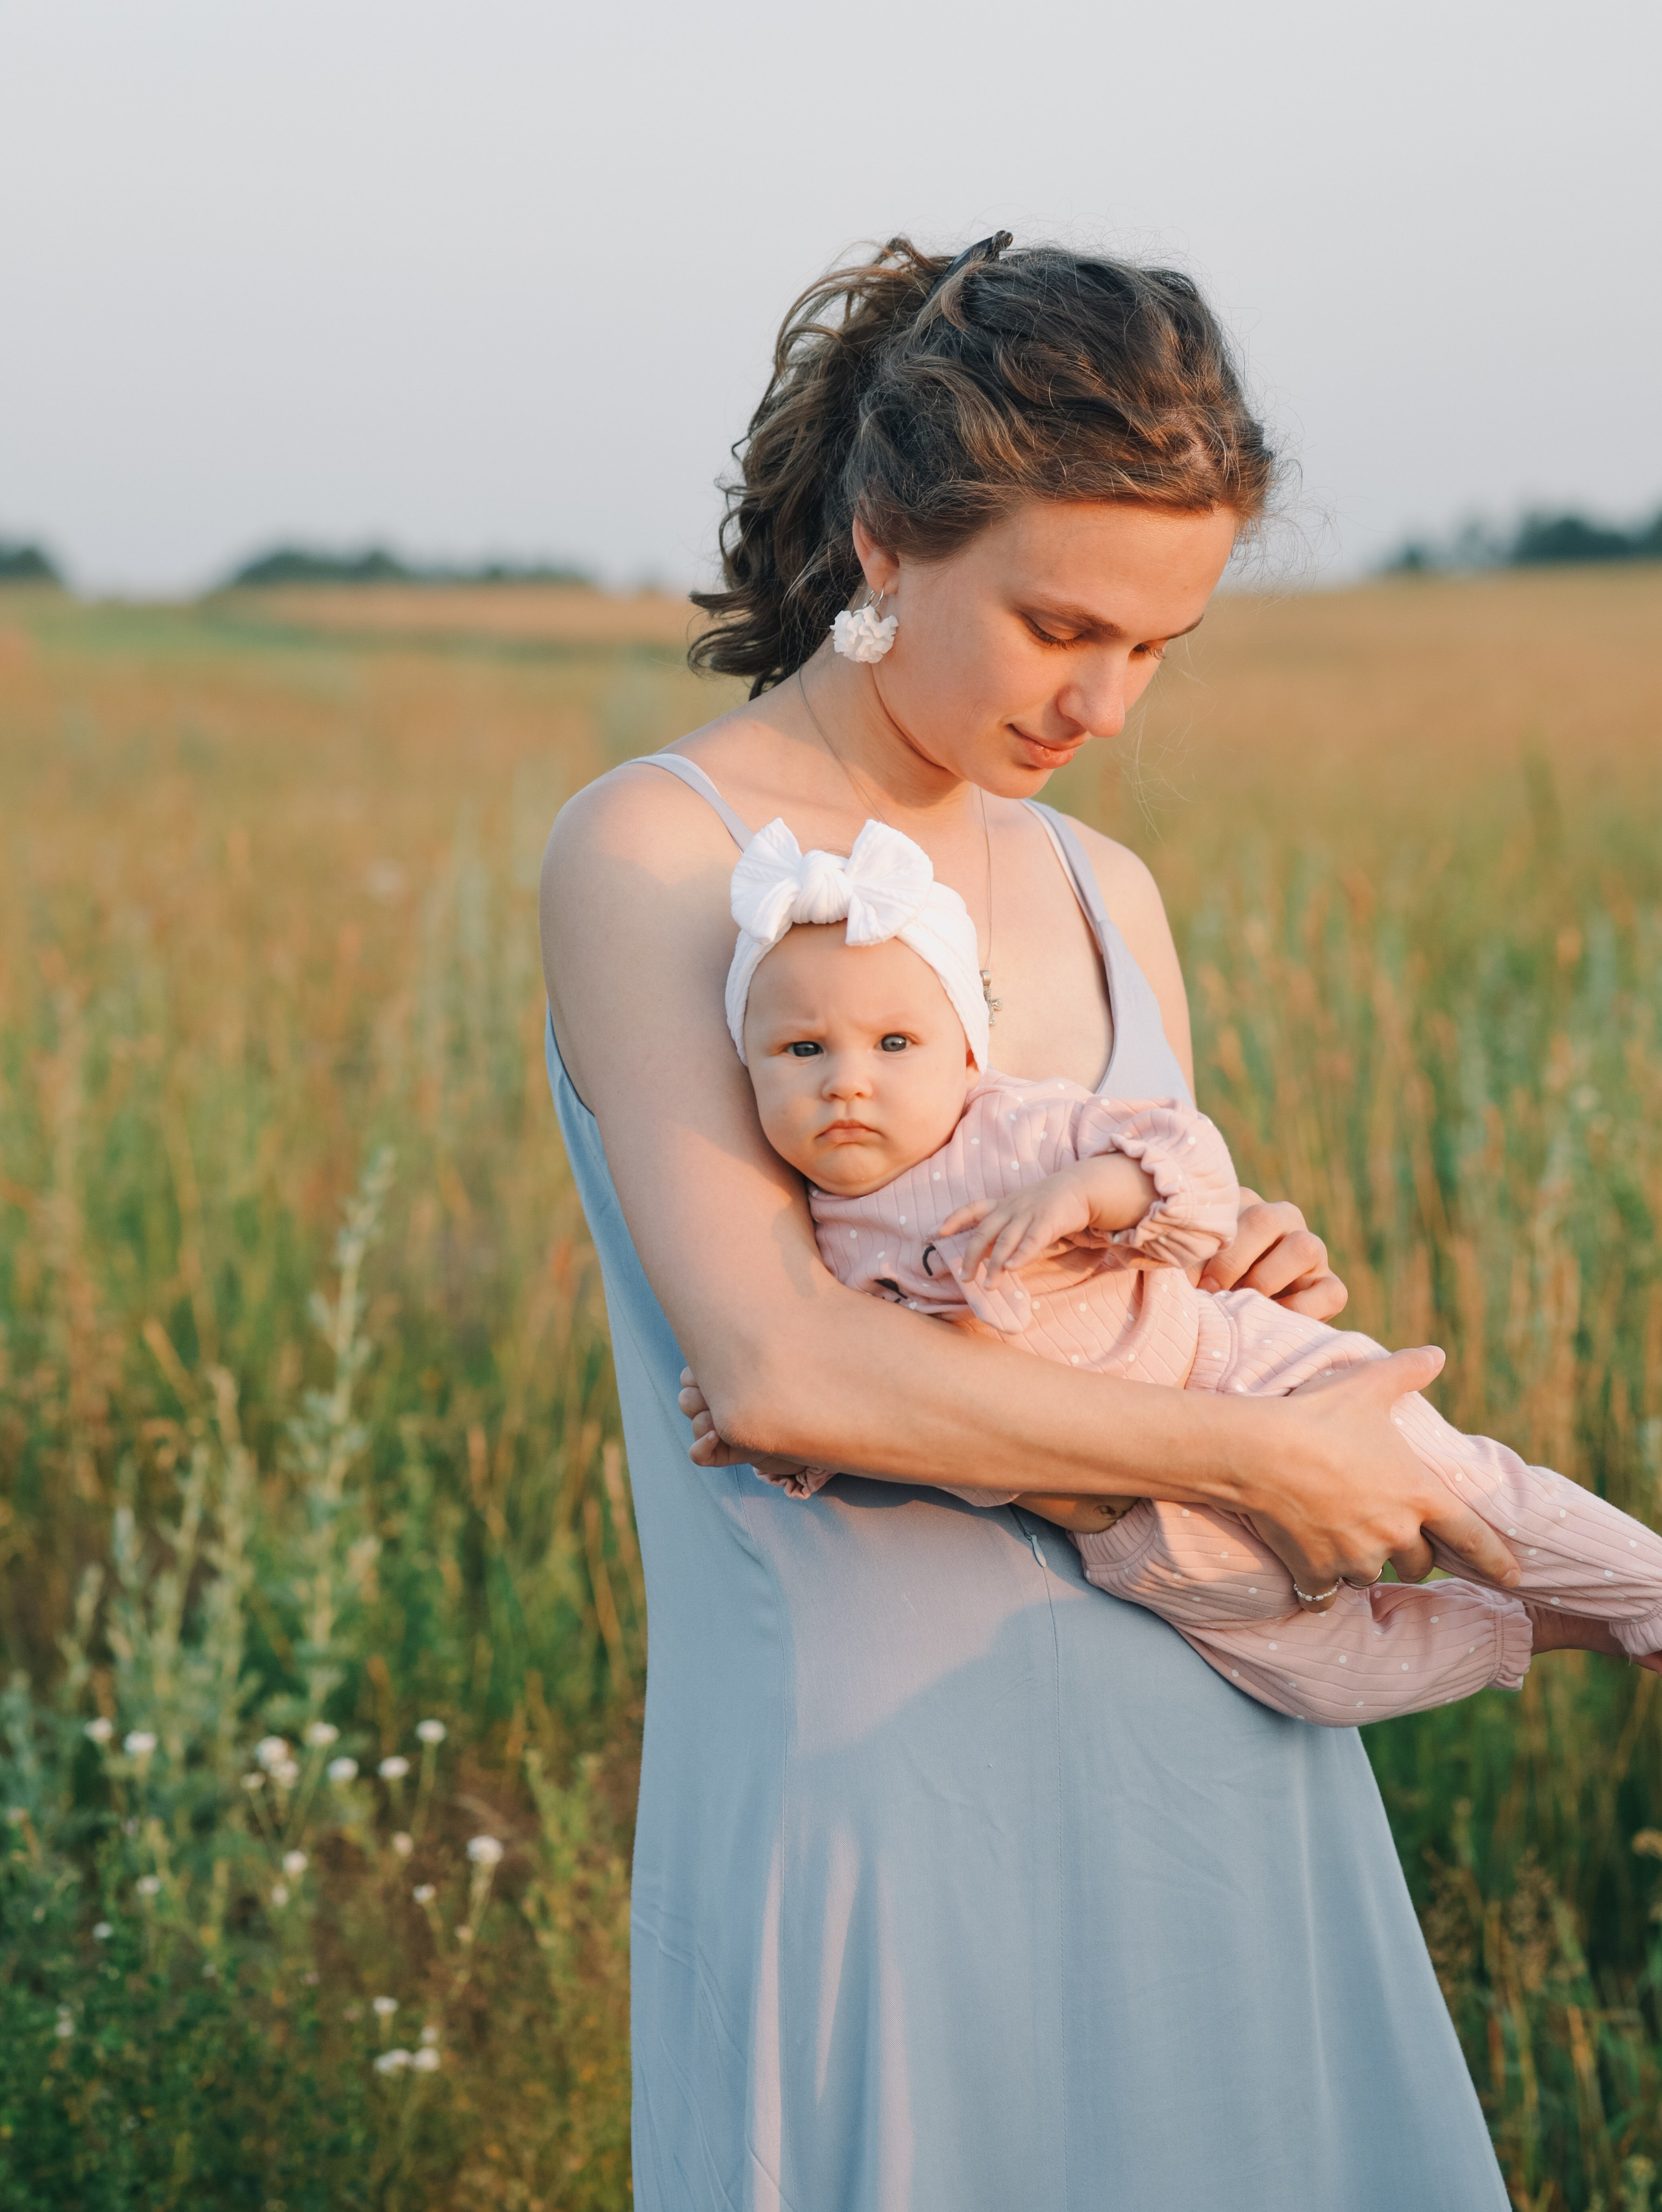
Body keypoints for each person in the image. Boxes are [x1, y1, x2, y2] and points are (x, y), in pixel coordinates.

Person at [541, 233, 1522, 2208]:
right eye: (1062, 625)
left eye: (1157, 648)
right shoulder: (657, 850)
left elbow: (1100, 1299)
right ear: (889, 538)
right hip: (881, 1815)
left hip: (1221, 1781)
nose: (1107, 704)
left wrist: (1246, 1280)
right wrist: (1258, 1448)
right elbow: (784, 1364)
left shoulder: (1106, 891)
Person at [715, 812, 1662, 1724]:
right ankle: (1551, 1630)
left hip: (1237, 1373)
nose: (847, 1080)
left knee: (1464, 1486)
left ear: (965, 1052)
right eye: (802, 1051)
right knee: (1322, 1679)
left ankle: (1647, 1588)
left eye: (894, 1045)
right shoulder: (817, 1250)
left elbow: (1195, 1167)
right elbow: (865, 1400)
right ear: (748, 1072)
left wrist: (1088, 1192)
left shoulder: (1011, 1128)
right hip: (1124, 1518)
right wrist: (779, 1440)